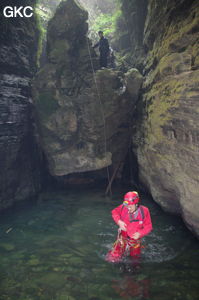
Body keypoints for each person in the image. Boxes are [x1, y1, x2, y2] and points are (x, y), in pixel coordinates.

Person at [106, 191, 152, 263]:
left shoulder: (144, 211)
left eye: (130, 206)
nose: (128, 208)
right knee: (112, 259)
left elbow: (148, 226)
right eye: (127, 206)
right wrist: (119, 222)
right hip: (122, 238)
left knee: (135, 261)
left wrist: (140, 233)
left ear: (136, 204)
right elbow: (114, 212)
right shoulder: (123, 207)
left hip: (135, 240)